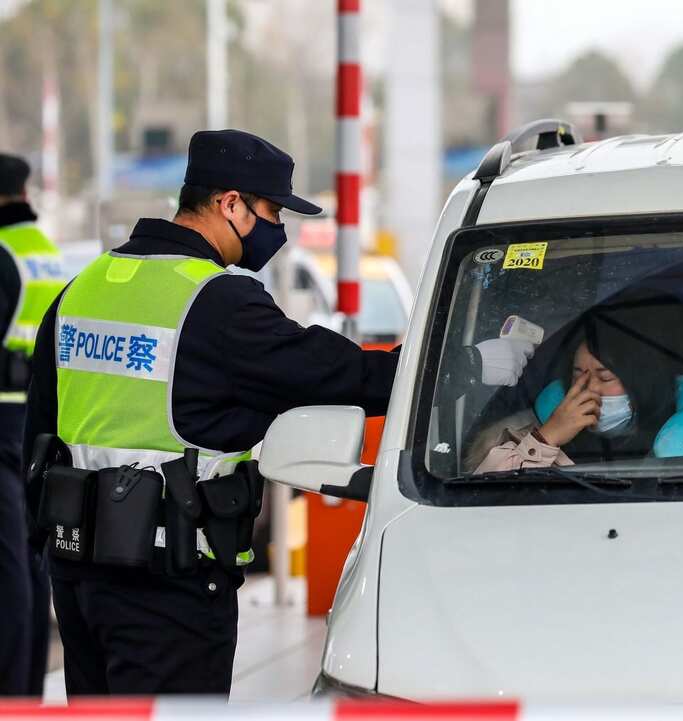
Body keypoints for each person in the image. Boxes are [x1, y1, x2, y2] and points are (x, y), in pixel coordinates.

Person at [21, 130, 401, 697]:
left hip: (78, 577)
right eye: (272, 212)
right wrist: (452, 366)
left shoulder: (85, 286)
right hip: (168, 587)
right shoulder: (217, 301)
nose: (278, 229)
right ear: (230, 205)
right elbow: (340, 373)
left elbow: (40, 432)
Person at [475, 295, 683, 471]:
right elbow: (481, 498)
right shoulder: (521, 440)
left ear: (641, 380)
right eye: (578, 374)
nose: (588, 388)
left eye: (605, 377)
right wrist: (546, 439)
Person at [0, 153, 66, 696]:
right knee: (30, 555)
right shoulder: (47, 254)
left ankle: (9, 693)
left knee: (6, 567)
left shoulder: (2, 254)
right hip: (40, 424)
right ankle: (27, 688)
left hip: (0, 422)